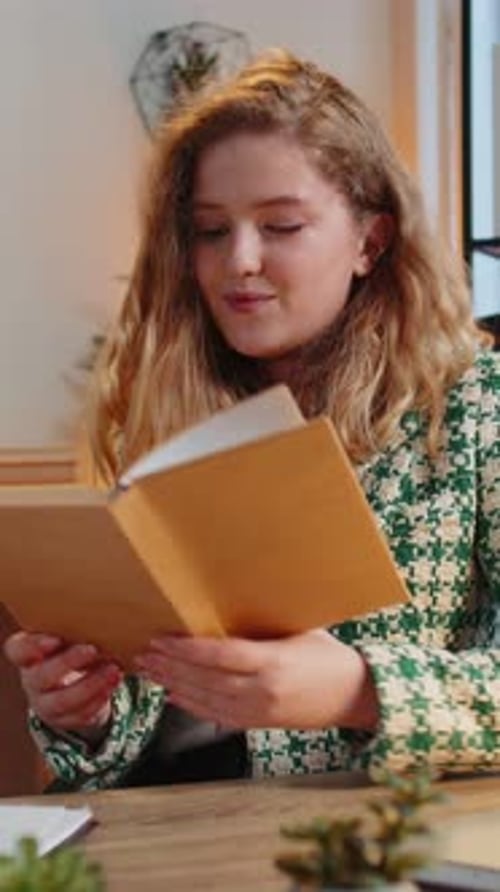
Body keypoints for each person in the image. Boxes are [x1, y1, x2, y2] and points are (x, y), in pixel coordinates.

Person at [4, 49, 499, 791]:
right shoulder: (166, 410)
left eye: (282, 226)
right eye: (211, 231)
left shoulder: (475, 405)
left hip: (361, 845)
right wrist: (85, 713)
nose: (239, 261)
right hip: (174, 833)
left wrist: (361, 691)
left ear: (370, 241)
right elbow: (138, 726)